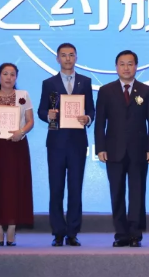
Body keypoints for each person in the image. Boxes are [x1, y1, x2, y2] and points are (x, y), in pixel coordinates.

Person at [95, 50, 149, 247]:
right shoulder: (106, 91)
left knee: (137, 193)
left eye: (130, 64)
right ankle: (121, 233)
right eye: (122, 64)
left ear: (136, 67)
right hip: (113, 150)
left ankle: (135, 234)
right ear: (116, 67)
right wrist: (100, 147)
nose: (126, 68)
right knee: (117, 192)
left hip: (139, 150)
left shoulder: (147, 91)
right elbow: (100, 123)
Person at [38, 43, 95, 247]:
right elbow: (41, 110)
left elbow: (91, 109)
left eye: (71, 55)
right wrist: (48, 115)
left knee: (75, 188)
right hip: (56, 142)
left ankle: (72, 232)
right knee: (56, 189)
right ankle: (58, 232)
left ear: (76, 58)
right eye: (64, 55)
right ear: (57, 58)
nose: (68, 59)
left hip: (78, 143)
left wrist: (87, 118)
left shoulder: (85, 82)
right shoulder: (49, 83)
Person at [0, 63, 35, 246]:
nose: (9, 77)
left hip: (17, 145)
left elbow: (30, 121)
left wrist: (21, 132)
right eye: (5, 74)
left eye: (12, 74)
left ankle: (11, 228)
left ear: (16, 77)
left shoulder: (23, 95)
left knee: (15, 186)